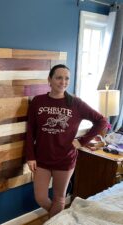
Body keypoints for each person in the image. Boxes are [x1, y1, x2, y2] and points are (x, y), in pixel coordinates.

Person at [25, 64, 107, 218]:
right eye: (59, 77)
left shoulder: (76, 103)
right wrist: (30, 156)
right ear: (49, 80)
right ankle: (59, 219)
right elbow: (30, 131)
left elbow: (101, 121)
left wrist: (82, 141)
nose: (63, 81)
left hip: (65, 159)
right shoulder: (38, 101)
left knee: (59, 198)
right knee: (40, 197)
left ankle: (55, 221)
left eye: (67, 78)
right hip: (41, 158)